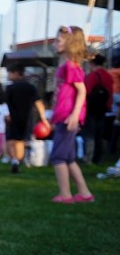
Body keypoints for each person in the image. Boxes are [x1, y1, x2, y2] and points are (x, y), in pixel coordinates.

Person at [50, 26, 94, 203]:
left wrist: (75, 115)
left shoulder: (71, 66)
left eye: (58, 41)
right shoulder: (65, 64)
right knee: (68, 157)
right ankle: (84, 193)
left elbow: (82, 91)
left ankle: (65, 194)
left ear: (70, 43)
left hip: (69, 117)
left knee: (58, 157)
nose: (54, 43)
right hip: (63, 115)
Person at [5, 63, 49, 173]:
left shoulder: (10, 88)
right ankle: (18, 162)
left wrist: (6, 115)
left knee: (10, 141)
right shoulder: (31, 87)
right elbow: (38, 103)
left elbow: (4, 104)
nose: (8, 76)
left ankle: (14, 160)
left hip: (11, 118)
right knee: (20, 142)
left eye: (9, 73)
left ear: (15, 73)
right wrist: (43, 119)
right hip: (26, 118)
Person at [83, 54, 114, 164]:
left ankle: (88, 158)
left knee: (89, 134)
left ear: (92, 63)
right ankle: (98, 158)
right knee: (99, 133)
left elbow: (86, 92)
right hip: (103, 108)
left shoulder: (91, 76)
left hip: (90, 108)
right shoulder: (108, 76)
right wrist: (108, 106)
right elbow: (110, 93)